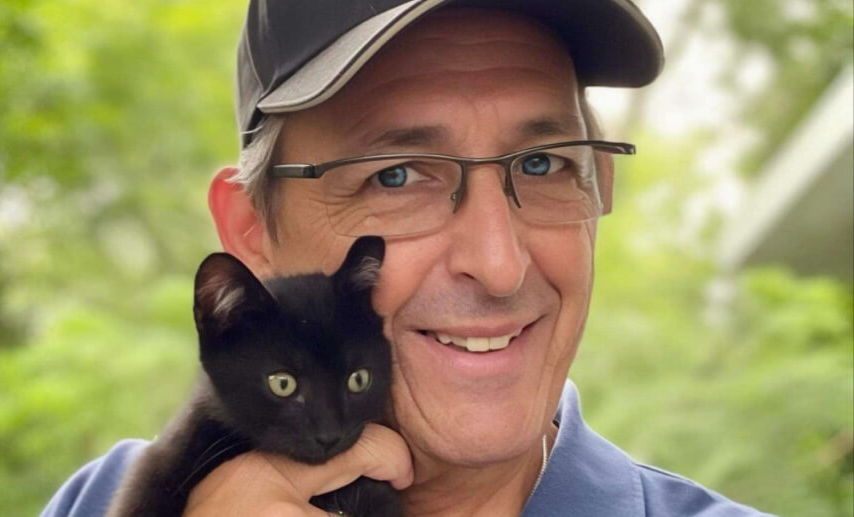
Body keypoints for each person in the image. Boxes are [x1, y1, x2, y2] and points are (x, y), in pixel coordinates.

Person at [41, 1, 774, 515]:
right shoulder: (100, 499)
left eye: (546, 164)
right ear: (249, 232)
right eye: (396, 175)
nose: (499, 263)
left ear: (599, 186)